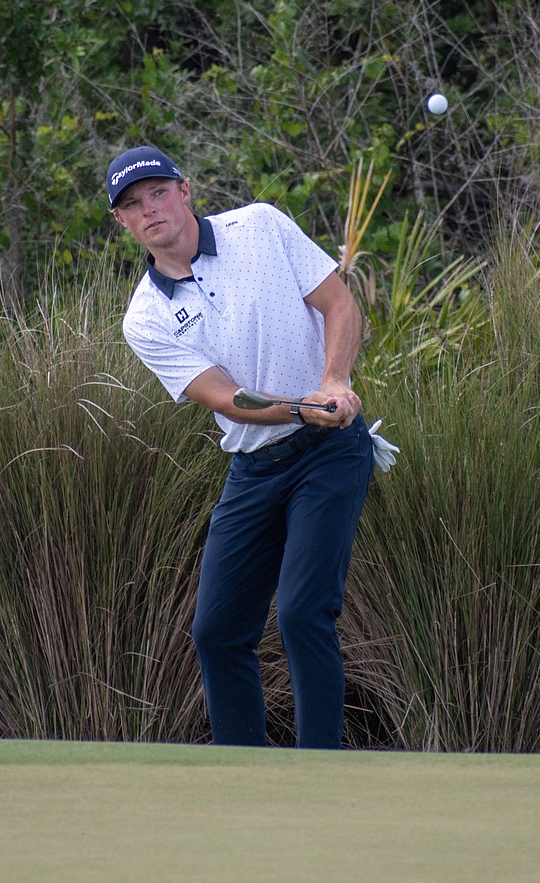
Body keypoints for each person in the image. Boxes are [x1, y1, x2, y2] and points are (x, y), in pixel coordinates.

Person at [107, 144, 375, 749]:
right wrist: (301, 404)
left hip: (329, 452)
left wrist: (334, 381)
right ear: (121, 221)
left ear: (184, 190)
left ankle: (321, 772)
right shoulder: (146, 317)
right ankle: (241, 775)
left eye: (157, 192)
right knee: (217, 631)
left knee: (303, 613)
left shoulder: (259, 226)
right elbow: (229, 399)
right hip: (253, 468)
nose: (150, 209)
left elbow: (338, 304)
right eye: (133, 204)